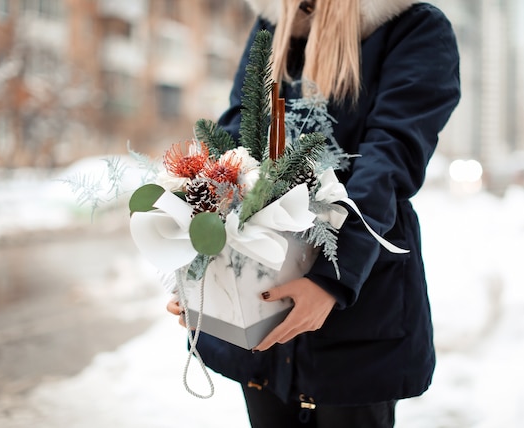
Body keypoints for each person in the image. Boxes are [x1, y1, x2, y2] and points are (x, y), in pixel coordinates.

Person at [166, 0, 460, 426]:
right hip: (258, 312)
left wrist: (331, 281)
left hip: (358, 306)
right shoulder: (275, 25)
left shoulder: (414, 27)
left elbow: (388, 161)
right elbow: (235, 142)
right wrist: (198, 260)